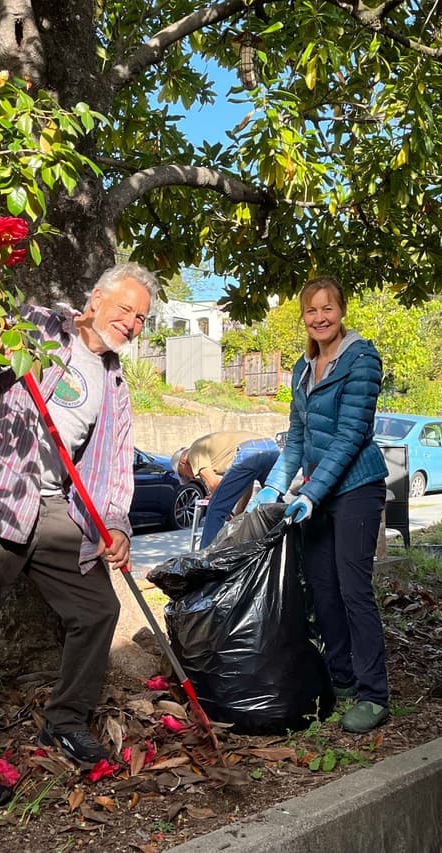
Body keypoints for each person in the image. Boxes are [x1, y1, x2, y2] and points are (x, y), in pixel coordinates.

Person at [0, 262, 159, 809]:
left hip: (53, 507)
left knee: (97, 608)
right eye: (123, 308)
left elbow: (113, 463)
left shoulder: (115, 382)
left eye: (141, 318)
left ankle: (65, 721)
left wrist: (116, 524)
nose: (130, 322)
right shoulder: (34, 327)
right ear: (95, 299)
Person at [248, 275, 390, 734]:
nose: (319, 318)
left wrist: (309, 493)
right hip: (316, 493)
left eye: (327, 308)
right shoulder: (302, 368)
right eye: (311, 311)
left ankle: (374, 694)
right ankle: (343, 682)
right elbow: (298, 439)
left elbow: (350, 437)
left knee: (353, 591)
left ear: (341, 311)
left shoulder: (362, 359)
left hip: (355, 489)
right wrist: (273, 487)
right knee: (322, 590)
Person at [171, 431, 280, 548]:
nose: (192, 477)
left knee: (215, 508)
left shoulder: (195, 451)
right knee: (277, 504)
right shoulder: (222, 454)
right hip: (272, 448)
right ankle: (290, 543)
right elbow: (246, 486)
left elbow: (213, 484)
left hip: (248, 451)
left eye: (186, 475)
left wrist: (222, 503)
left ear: (183, 462)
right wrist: (238, 517)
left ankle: (205, 558)